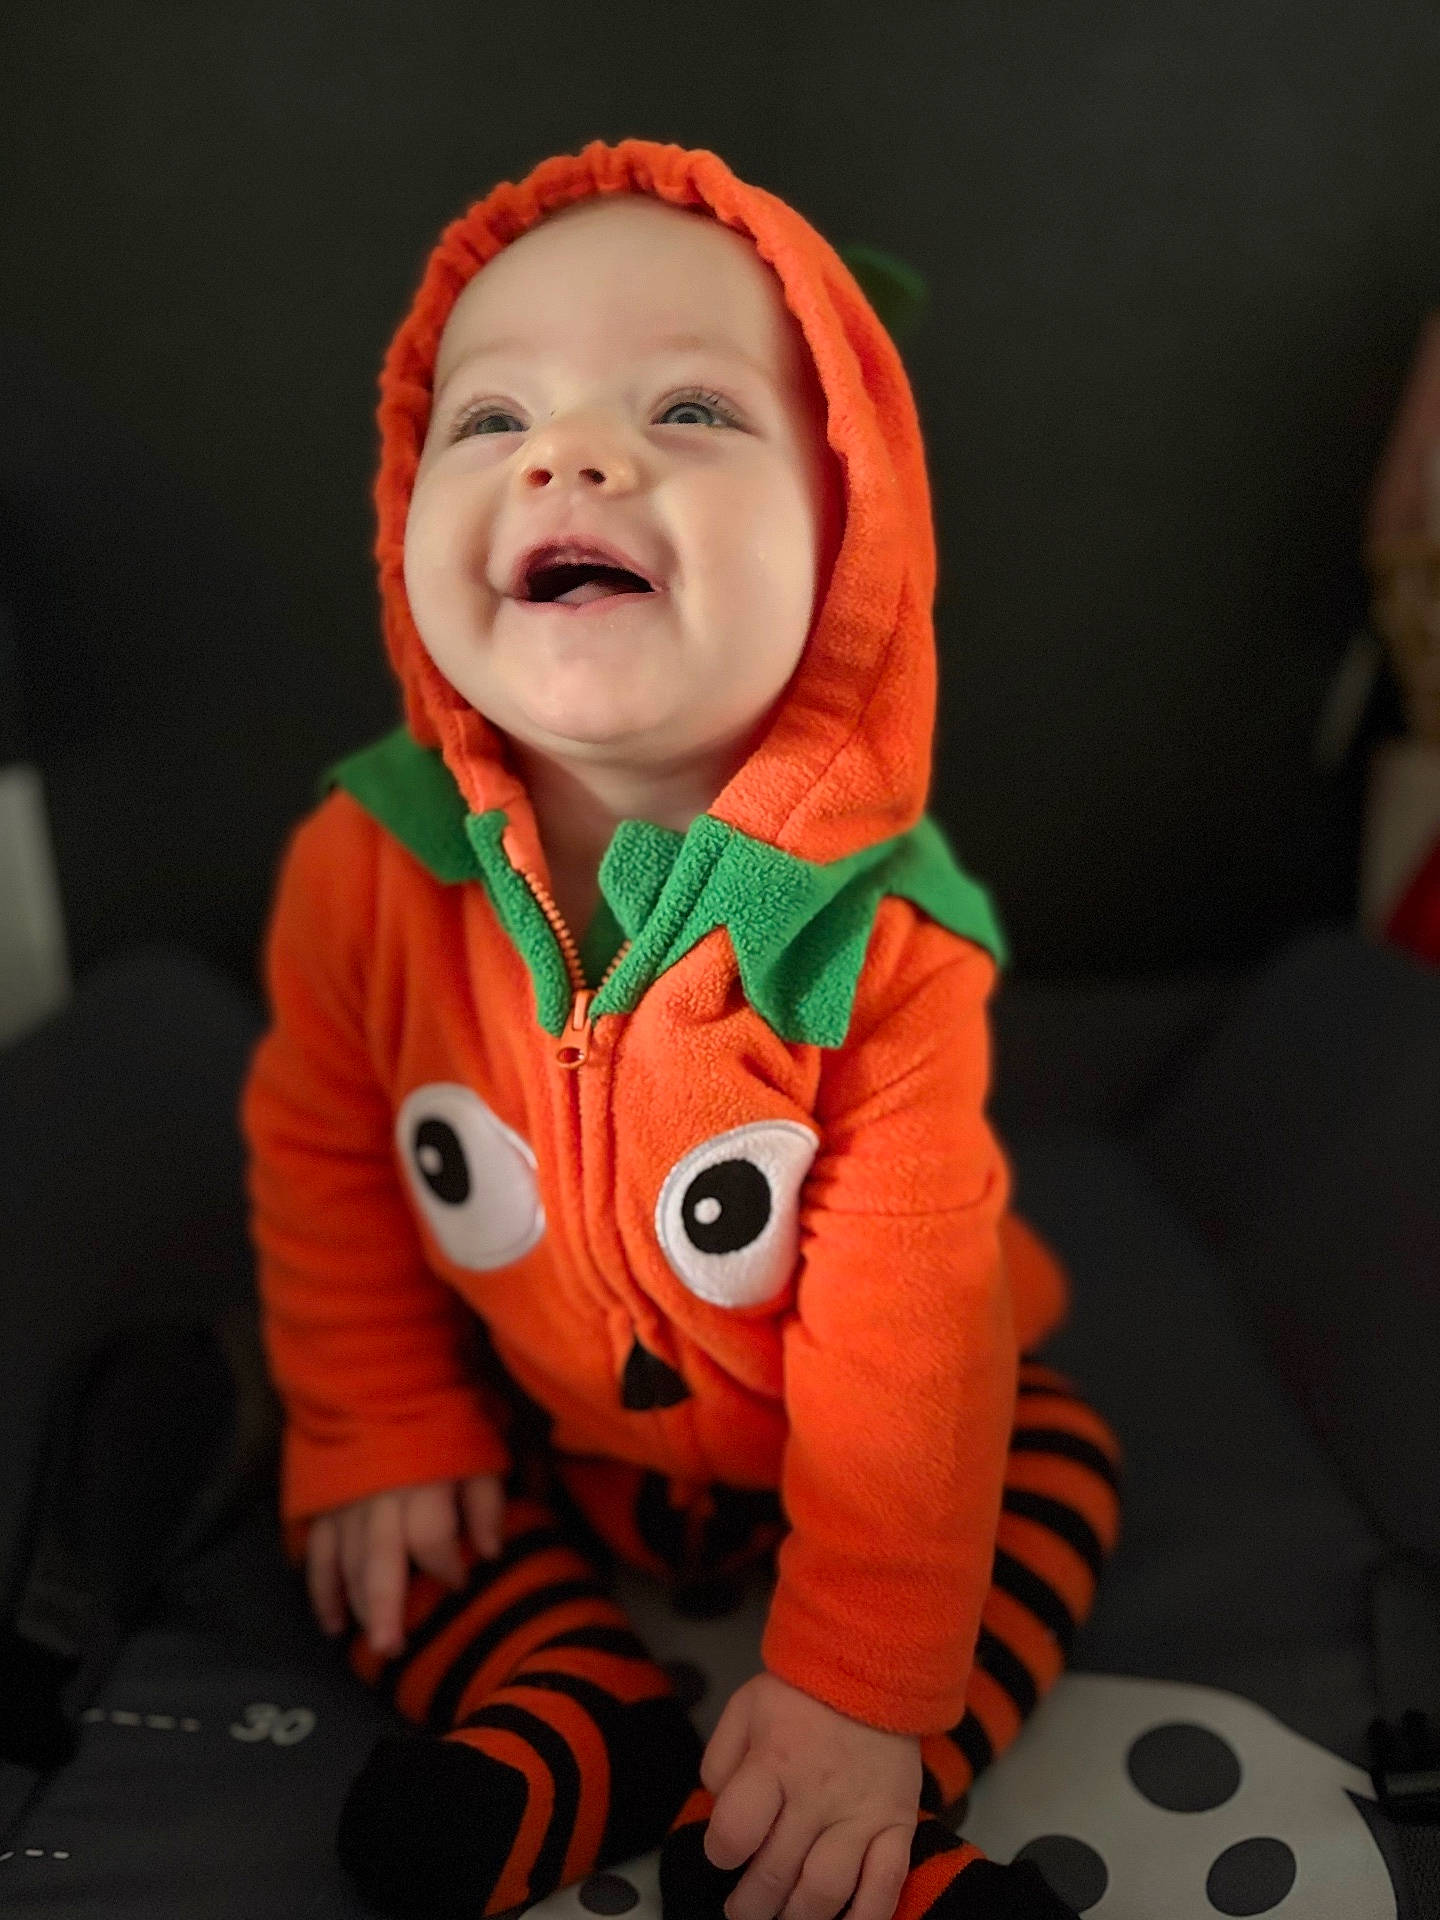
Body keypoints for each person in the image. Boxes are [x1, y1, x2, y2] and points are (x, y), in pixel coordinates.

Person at [240, 137, 1121, 1920]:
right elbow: (324, 1151)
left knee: (1039, 1469)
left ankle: (839, 1801)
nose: (567, 456)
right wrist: (389, 1414)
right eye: (491, 419)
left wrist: (862, 1678)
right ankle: (570, 1709)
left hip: (860, 1434)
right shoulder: (364, 866)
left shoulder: (880, 947)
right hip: (546, 1415)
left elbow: (904, 1336)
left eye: (692, 411)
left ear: (852, 540)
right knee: (367, 1500)